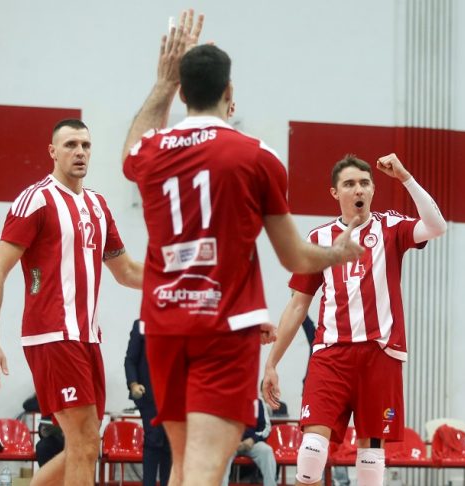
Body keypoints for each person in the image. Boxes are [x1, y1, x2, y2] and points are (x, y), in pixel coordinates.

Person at [121, 11, 363, 486]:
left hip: (164, 327)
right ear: (229, 92)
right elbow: (294, 257)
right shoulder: (256, 156)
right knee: (205, 470)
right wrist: (337, 253)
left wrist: (162, 83)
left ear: (182, 93)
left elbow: (132, 146)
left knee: (183, 466)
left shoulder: (151, 152)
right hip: (224, 329)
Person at [262, 152, 447, 486]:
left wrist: (405, 177)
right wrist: (272, 362)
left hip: (380, 356)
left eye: (364, 183)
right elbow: (297, 305)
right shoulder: (319, 239)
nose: (358, 189)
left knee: (371, 461)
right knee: (310, 454)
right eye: (349, 184)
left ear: (373, 189)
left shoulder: (391, 228)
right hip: (331, 356)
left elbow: (437, 226)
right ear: (335, 193)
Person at [0, 119, 143, 486]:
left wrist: (181, 279)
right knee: (83, 442)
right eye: (70, 145)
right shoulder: (36, 199)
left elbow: (127, 271)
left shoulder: (98, 205)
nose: (80, 152)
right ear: (52, 152)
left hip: (87, 338)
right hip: (52, 334)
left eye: (85, 145)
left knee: (84, 444)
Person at [124, 319, 172, 486]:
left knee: (169, 444)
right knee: (153, 440)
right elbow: (130, 360)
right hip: (149, 396)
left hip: (173, 397)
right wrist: (133, 384)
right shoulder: (141, 325)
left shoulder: (179, 325)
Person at [221, 397, 277, 486]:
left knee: (267, 451)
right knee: (221, 455)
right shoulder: (226, 399)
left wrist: (253, 439)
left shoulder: (258, 401)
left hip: (252, 443)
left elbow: (266, 428)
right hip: (230, 443)